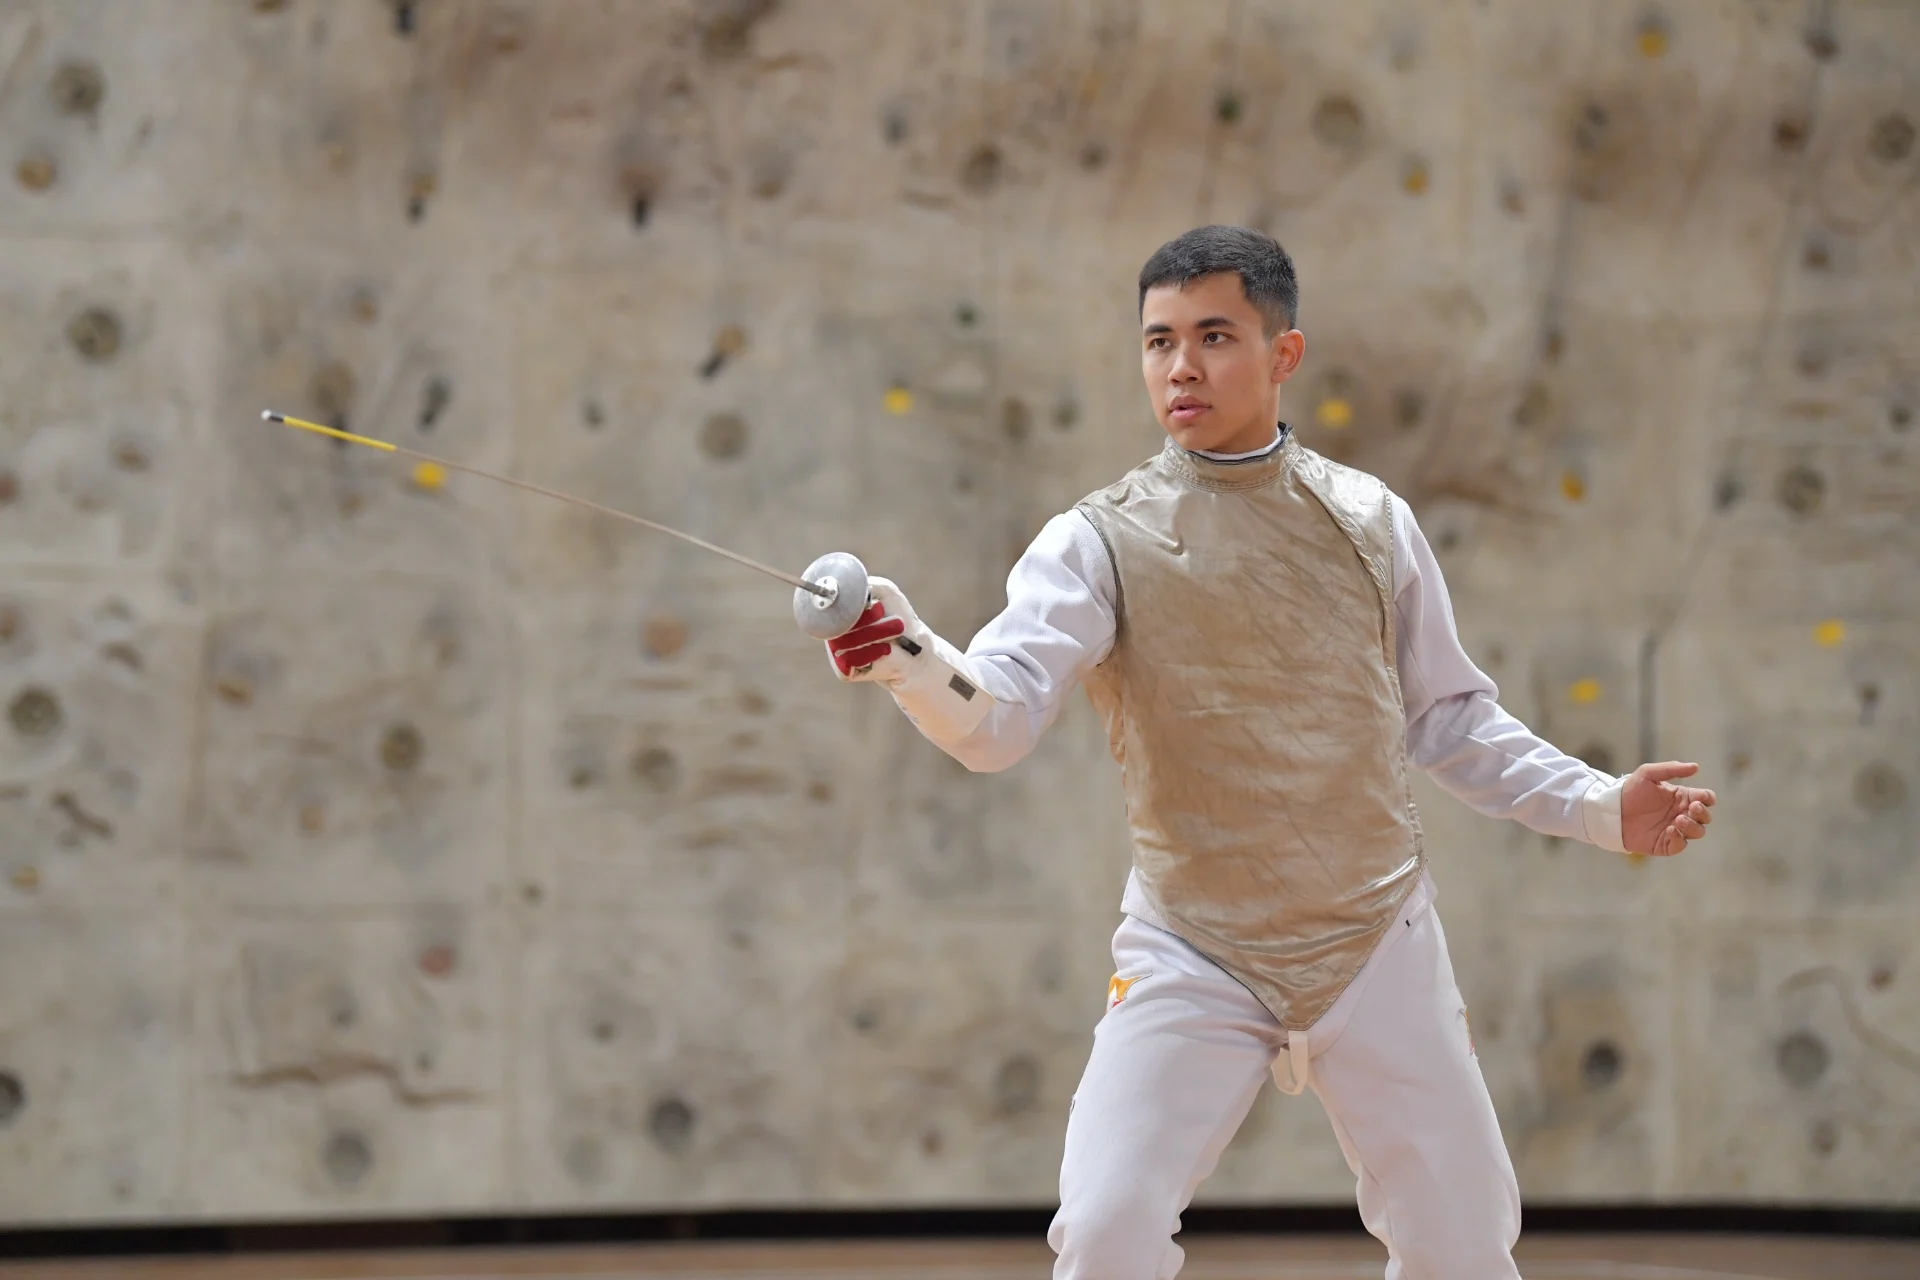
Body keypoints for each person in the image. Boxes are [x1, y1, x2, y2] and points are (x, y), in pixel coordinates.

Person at [820, 225, 1717, 1280]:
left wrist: (1602, 806)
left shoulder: (1372, 520)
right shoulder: (1096, 541)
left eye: (1214, 336)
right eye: (1158, 341)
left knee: (1466, 1248)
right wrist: (909, 656)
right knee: (1105, 1232)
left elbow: (1451, 718)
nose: (1181, 367)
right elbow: (997, 719)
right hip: (1191, 943)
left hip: (1375, 933)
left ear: (1283, 353)